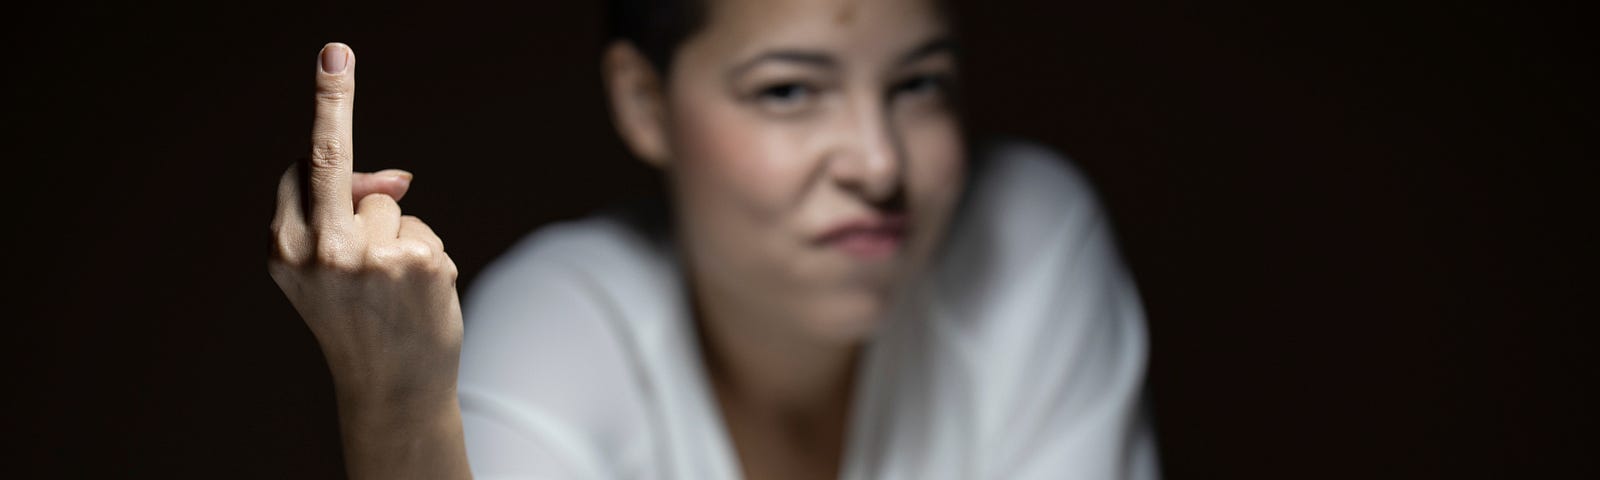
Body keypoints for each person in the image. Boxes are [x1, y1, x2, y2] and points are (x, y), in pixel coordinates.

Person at [268, 0, 1159, 478]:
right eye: (787, 91)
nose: (879, 163)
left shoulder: (1027, 238)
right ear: (644, 104)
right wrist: (394, 402)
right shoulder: (557, 325)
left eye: (920, 84)